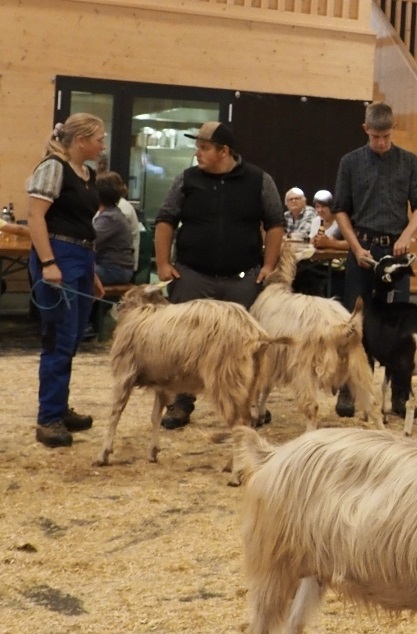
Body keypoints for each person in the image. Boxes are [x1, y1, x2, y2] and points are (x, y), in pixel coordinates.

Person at [153, 121, 285, 429]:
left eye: (204, 147)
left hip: (242, 279)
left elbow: (275, 224)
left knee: (245, 345)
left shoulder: (259, 180)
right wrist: (162, 264)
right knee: (185, 342)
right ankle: (181, 402)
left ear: (224, 151)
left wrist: (268, 266)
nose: (197, 153)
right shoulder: (186, 180)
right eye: (197, 147)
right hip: (193, 275)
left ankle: (246, 404)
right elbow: (165, 220)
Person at [332, 101, 417, 417]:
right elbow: (341, 209)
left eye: (386, 136)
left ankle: (400, 394)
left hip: (396, 254)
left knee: (398, 325)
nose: (381, 142)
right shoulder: (350, 162)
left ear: (392, 131)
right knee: (356, 323)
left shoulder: (409, 161)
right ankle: (350, 390)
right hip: (363, 250)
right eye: (376, 136)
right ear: (366, 131)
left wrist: (406, 236)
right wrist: (355, 246)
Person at [26, 114, 106, 448]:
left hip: (81, 259)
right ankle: (49, 418)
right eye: (99, 138)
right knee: (58, 337)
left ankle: (59, 406)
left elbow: (81, 225)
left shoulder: (87, 174)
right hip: (58, 255)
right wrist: (48, 262)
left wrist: (92, 272)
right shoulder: (53, 167)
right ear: (81, 140)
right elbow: (35, 216)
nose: (103, 144)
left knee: (72, 337)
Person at [93, 175, 136, 285]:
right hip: (115, 268)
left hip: (114, 269)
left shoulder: (109, 217)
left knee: (73, 271)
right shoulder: (113, 213)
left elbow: (90, 240)